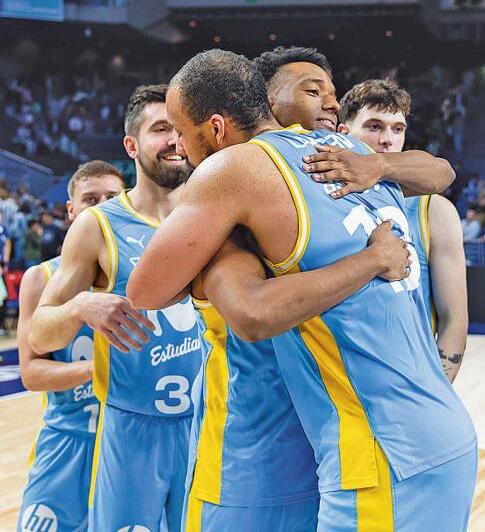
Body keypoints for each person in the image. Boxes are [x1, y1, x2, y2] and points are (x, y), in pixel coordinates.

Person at [128, 50, 477, 531]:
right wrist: (378, 198)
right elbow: (439, 171)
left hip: (372, 450)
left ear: (216, 128)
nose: (180, 148)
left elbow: (149, 291)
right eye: (314, 90)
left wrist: (372, 256)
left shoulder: (238, 170)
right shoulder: (346, 157)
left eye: (182, 133)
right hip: (428, 435)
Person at [29, 85, 201, 532]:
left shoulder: (214, 213)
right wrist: (80, 306)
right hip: (131, 429)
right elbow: (39, 334)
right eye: (160, 129)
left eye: (180, 129)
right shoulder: (97, 226)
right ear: (131, 145)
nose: (174, 140)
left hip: (208, 424)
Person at [329, 78, 468, 383]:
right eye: (374, 126)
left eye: (397, 129)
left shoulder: (433, 210)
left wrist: (436, 391)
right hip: (333, 383)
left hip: (407, 383)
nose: (387, 140)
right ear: (343, 132)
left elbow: (454, 320)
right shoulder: (323, 201)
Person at [17, 160, 125, 531]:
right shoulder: (41, 278)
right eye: (90, 199)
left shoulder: (145, 273)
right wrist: (99, 368)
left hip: (128, 442)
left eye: (112, 198)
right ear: (71, 209)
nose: (102, 207)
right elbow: (31, 372)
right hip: (68, 438)